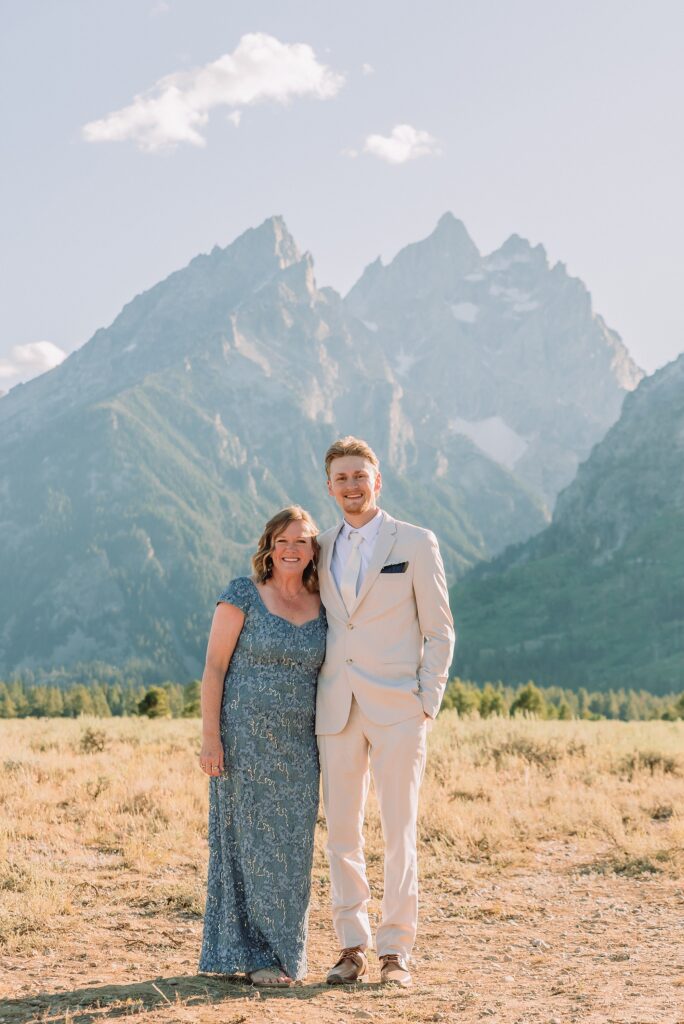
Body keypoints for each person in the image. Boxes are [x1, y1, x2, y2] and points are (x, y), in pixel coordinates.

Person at [316, 436, 455, 988]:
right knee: (341, 835)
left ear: (378, 481)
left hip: (400, 709)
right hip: (337, 708)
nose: (351, 486)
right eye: (341, 478)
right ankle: (352, 946)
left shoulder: (416, 542)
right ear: (330, 487)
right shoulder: (319, 545)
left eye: (360, 476)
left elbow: (440, 629)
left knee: (400, 831)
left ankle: (396, 950)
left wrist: (427, 701)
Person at [198, 506, 326, 987]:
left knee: (292, 849)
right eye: (283, 541)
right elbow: (213, 668)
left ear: (314, 550)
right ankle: (248, 954)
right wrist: (211, 738)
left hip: (300, 745)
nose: (292, 550)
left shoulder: (324, 602)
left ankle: (284, 952)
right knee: (243, 846)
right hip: (242, 740)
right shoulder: (242, 593)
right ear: (269, 547)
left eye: (302, 542)